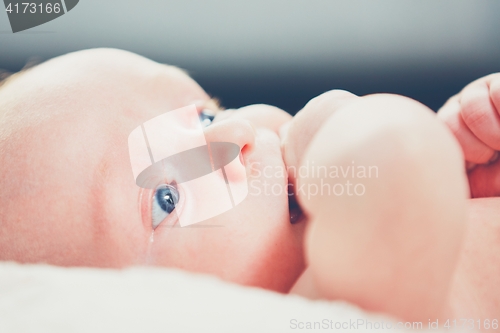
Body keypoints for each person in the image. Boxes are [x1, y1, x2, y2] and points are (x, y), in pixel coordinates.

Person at [0, 48, 498, 324]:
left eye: (205, 115)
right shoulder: (323, 309)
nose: (234, 135)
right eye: (165, 197)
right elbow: (402, 156)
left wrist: (466, 162)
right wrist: (328, 121)